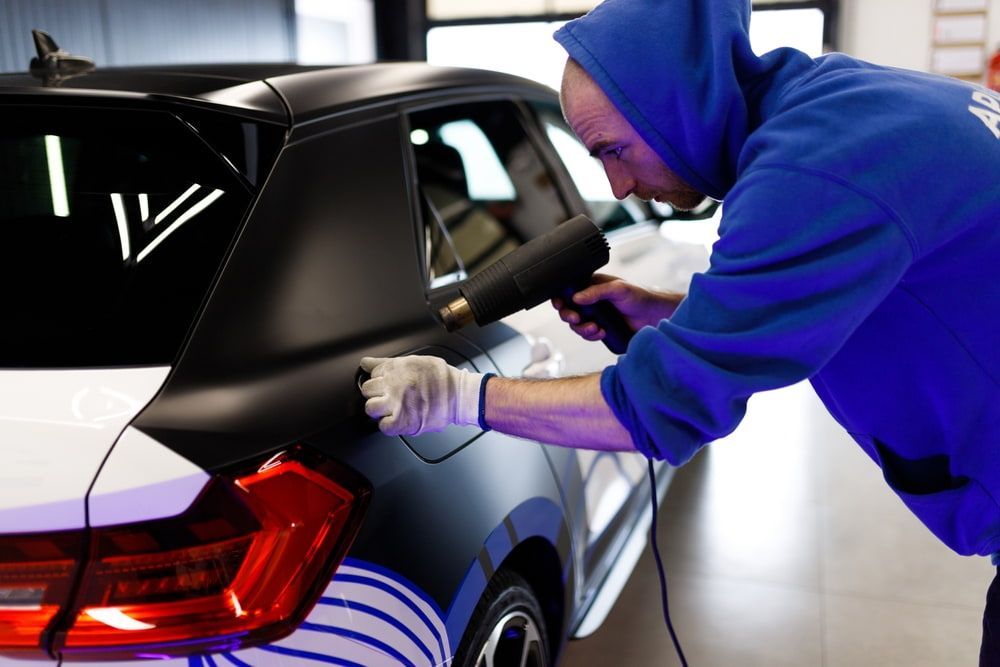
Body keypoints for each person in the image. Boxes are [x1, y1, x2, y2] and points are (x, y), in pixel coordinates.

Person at [360, 0, 1000, 659]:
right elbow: (828, 291)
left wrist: (456, 397)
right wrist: (669, 311)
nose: (618, 183)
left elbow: (660, 409)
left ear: (679, 106)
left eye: (614, 149)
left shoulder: (810, 170)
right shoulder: (844, 104)